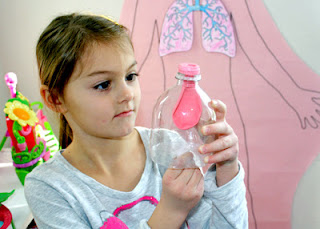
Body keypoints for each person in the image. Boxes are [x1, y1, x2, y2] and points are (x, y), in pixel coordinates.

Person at [24, 13, 248, 229]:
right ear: (55, 98)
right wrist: (171, 212)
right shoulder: (49, 187)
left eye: (130, 76)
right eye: (103, 84)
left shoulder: (168, 148)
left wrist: (226, 169)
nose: (128, 94)